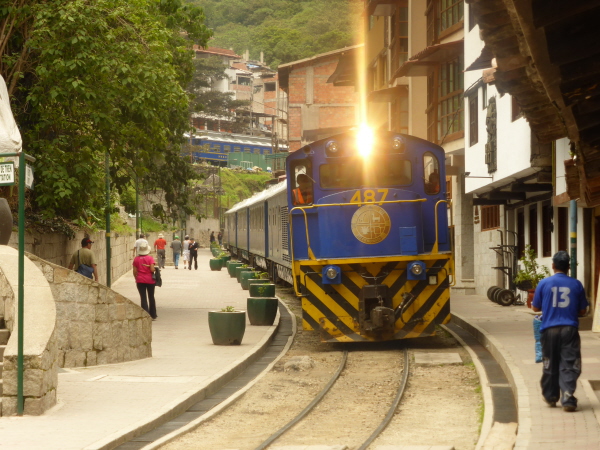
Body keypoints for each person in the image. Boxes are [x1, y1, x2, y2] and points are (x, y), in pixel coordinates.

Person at [532, 251, 589, 412]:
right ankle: (568, 396)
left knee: (550, 362)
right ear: (568, 268)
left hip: (549, 329)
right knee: (569, 362)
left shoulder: (544, 283)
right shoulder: (576, 284)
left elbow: (535, 307)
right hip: (569, 329)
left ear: (553, 266)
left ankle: (551, 396)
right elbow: (583, 311)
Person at [132, 242, 157, 320]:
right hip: (150, 280)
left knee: (143, 297)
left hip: (140, 280)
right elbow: (152, 269)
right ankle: (153, 315)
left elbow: (134, 271)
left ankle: (145, 315)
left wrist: (136, 278)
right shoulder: (150, 258)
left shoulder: (136, 259)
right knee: (151, 297)